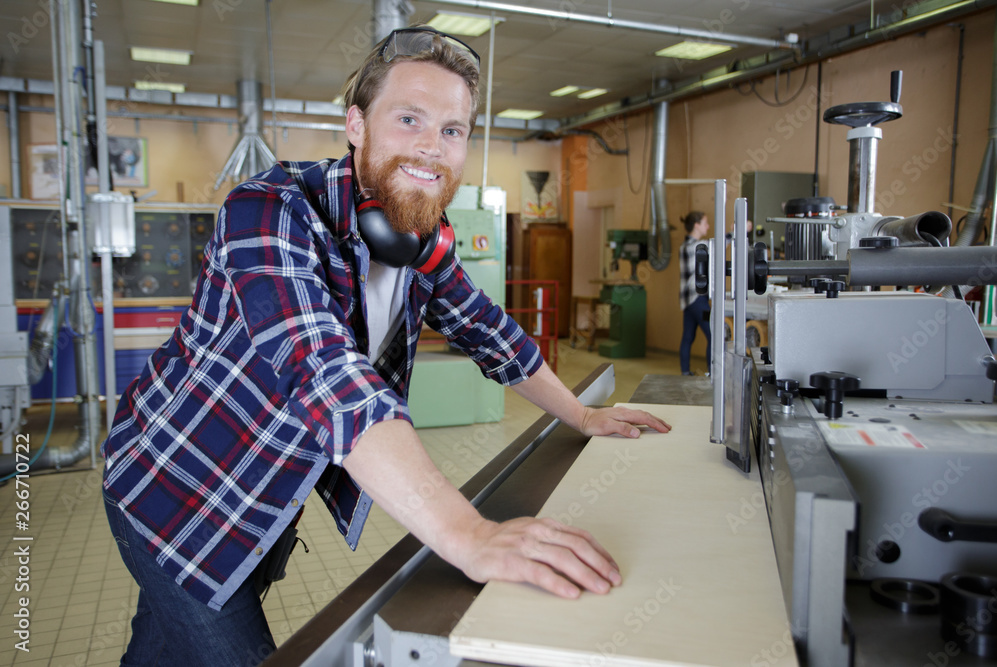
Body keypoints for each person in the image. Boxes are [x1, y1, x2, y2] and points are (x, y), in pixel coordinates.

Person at [101, 26, 671, 666]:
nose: (433, 148)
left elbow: (490, 330)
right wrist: (468, 533)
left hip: (257, 505)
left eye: (453, 130)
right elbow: (325, 373)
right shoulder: (267, 211)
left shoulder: (418, 236)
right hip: (176, 493)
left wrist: (583, 413)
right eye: (409, 119)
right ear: (356, 125)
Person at [678, 211, 712, 376]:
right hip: (698, 301)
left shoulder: (684, 246)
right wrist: (733, 233)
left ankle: (685, 372)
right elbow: (717, 245)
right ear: (697, 225)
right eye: (705, 223)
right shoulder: (695, 247)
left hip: (688, 302)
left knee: (688, 337)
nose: (708, 226)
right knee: (713, 334)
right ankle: (712, 373)